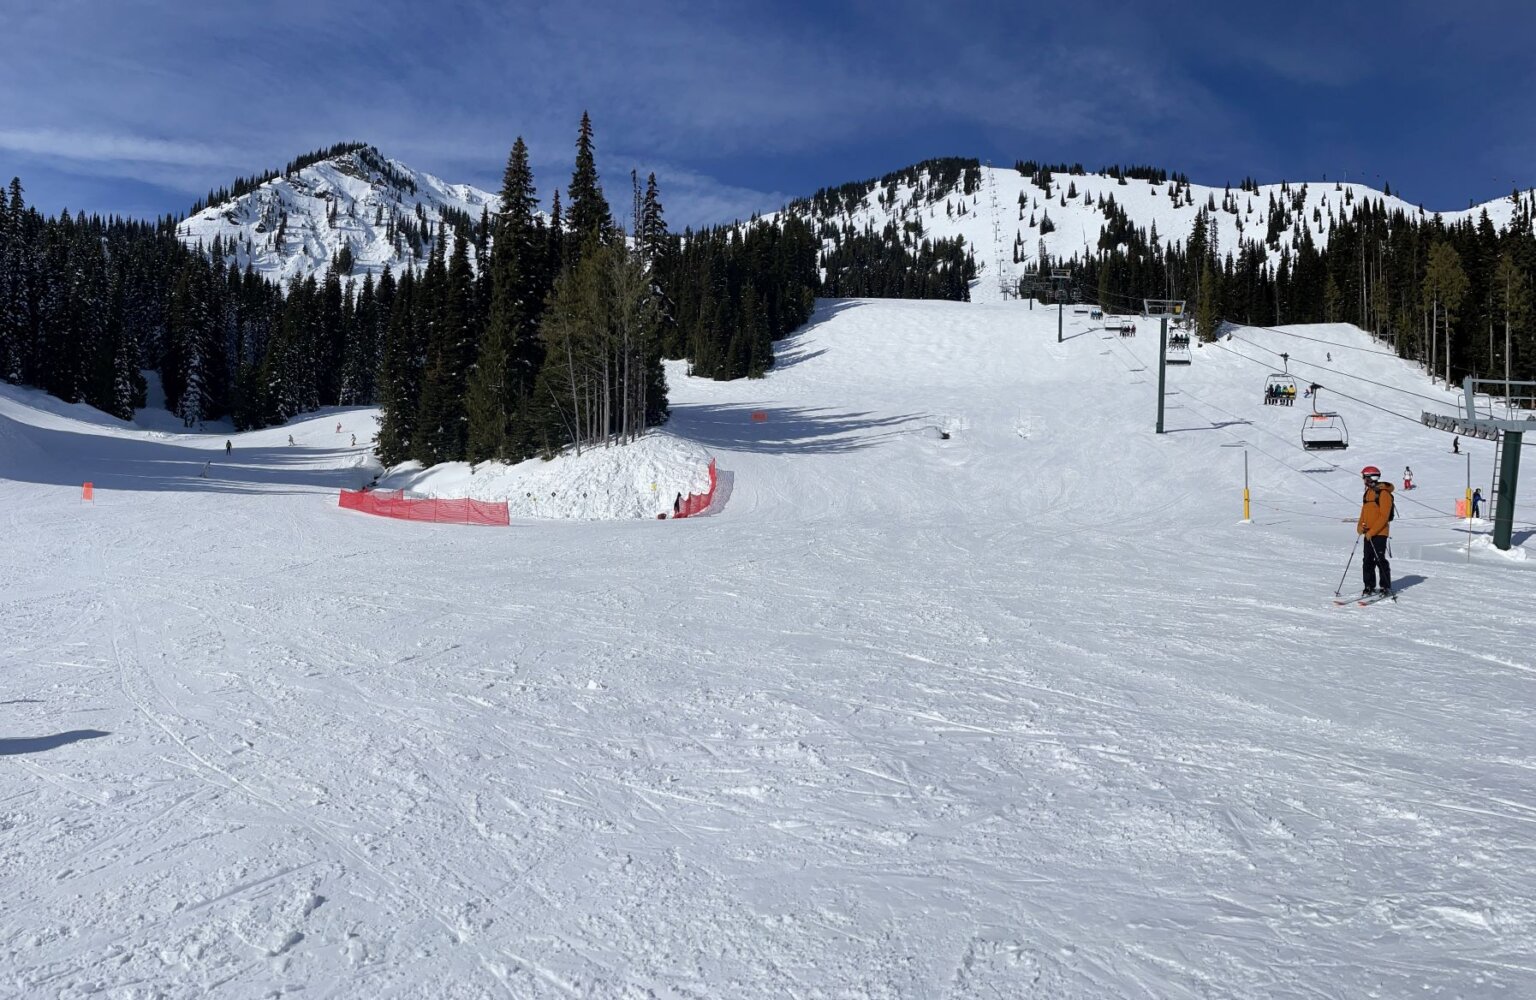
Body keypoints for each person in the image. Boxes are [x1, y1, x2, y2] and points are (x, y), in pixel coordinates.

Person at [1356, 466, 1395, 597]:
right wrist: (1360, 526)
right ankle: (1369, 586)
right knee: (1367, 560)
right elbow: (1364, 511)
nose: (1363, 480)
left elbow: (1384, 516)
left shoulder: (1384, 493)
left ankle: (1385, 587)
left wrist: (1372, 532)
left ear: (1371, 477)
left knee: (1380, 560)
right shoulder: (1368, 493)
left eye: (1365, 477)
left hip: (1380, 533)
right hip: (1368, 533)